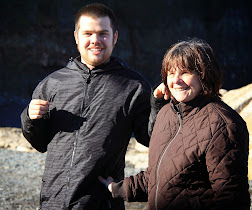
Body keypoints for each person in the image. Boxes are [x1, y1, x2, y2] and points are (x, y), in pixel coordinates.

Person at [20, 3, 153, 209]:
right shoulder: (52, 83)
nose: (95, 40)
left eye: (103, 34)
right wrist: (30, 117)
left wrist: (164, 105)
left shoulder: (134, 87)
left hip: (102, 203)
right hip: (53, 201)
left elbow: (151, 137)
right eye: (88, 33)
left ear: (115, 37)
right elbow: (39, 143)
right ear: (76, 37)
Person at [99, 38, 250, 209]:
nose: (176, 80)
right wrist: (117, 188)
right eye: (171, 73)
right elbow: (158, 176)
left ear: (204, 74)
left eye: (185, 72)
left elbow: (231, 198)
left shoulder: (223, 125)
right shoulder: (166, 113)